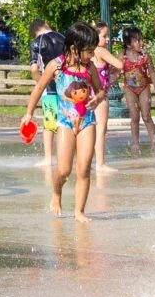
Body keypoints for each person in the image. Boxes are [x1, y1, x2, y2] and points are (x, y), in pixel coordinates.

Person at [21, 22, 106, 221]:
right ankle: (57, 192)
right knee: (64, 169)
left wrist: (98, 97)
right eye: (89, 51)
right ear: (74, 48)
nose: (92, 55)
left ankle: (79, 211)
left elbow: (100, 89)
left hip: (87, 121)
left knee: (84, 168)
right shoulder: (56, 65)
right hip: (65, 123)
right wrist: (28, 113)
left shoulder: (89, 66)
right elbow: (39, 88)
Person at [29, 20, 67, 166]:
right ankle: (67, 155)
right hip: (66, 86)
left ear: (34, 32)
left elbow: (34, 68)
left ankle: (48, 158)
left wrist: (41, 83)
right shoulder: (62, 37)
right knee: (66, 122)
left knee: (50, 123)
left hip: (50, 89)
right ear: (46, 25)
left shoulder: (37, 43)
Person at [90, 22, 123, 174]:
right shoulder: (100, 50)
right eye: (104, 36)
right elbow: (119, 64)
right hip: (100, 95)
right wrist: (120, 58)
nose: (107, 39)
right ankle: (100, 163)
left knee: (88, 128)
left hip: (88, 94)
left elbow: (108, 74)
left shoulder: (88, 51)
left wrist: (113, 75)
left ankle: (86, 159)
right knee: (101, 129)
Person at [119, 26, 155, 152]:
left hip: (144, 87)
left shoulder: (145, 56)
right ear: (129, 44)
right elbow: (115, 72)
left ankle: (154, 142)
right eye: (137, 40)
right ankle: (135, 143)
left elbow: (152, 73)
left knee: (146, 116)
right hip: (130, 89)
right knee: (134, 117)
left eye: (141, 40)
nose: (141, 43)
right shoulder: (122, 56)